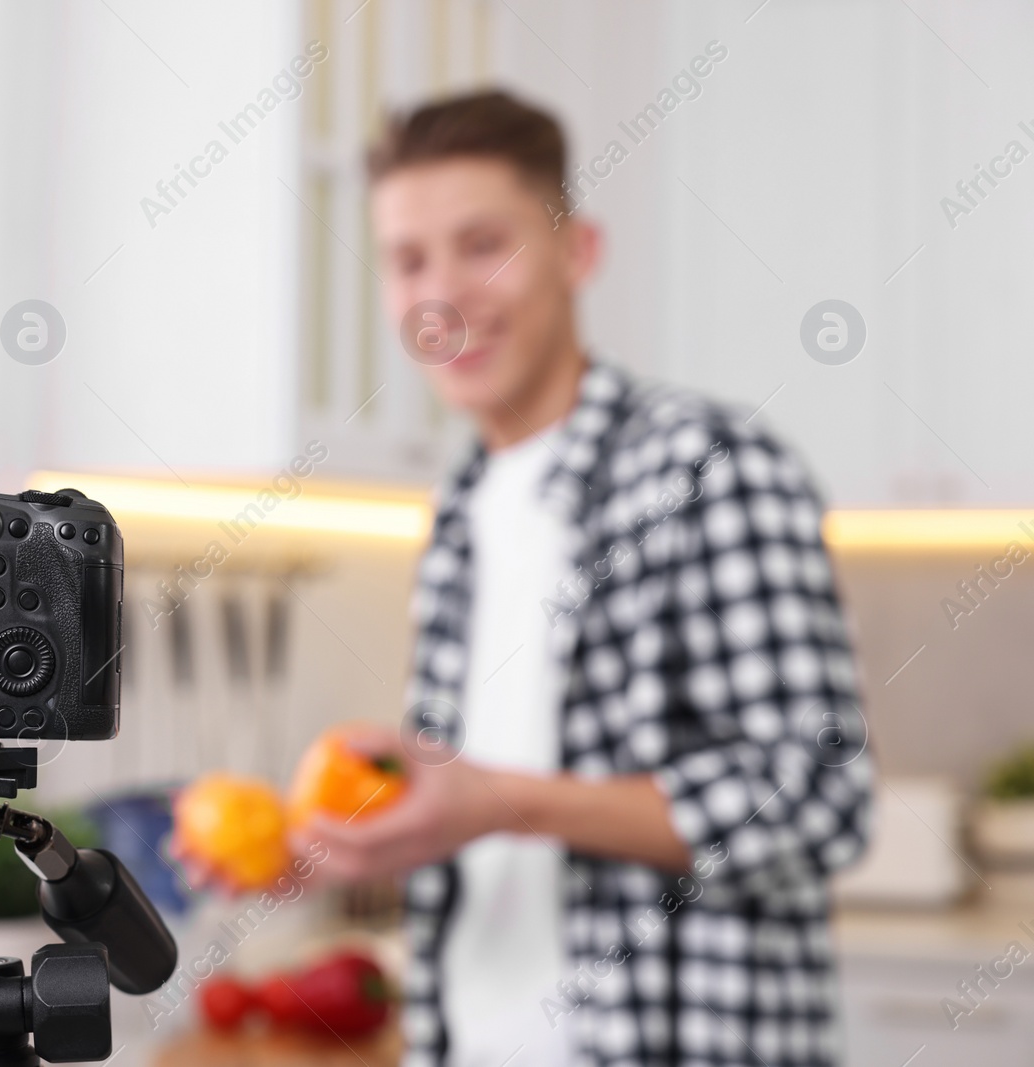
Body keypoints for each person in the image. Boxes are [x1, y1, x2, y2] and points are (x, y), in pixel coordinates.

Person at [284, 91, 872, 1067]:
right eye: (407, 259)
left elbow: (818, 795)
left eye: (482, 244)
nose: (442, 297)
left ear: (577, 251)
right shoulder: (460, 508)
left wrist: (496, 799)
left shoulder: (708, 466)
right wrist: (343, 833)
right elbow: (475, 818)